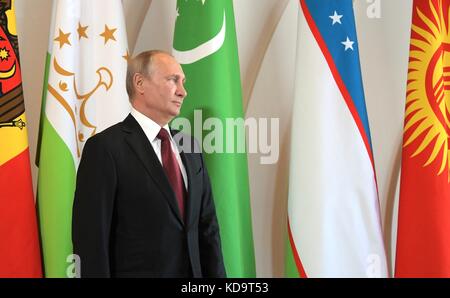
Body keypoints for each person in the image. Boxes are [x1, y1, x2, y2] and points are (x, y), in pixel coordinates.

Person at [72, 50, 226, 278]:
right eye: (173, 80)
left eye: (183, 82)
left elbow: (208, 230)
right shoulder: (105, 148)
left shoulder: (190, 148)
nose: (183, 91)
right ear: (140, 83)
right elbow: (91, 242)